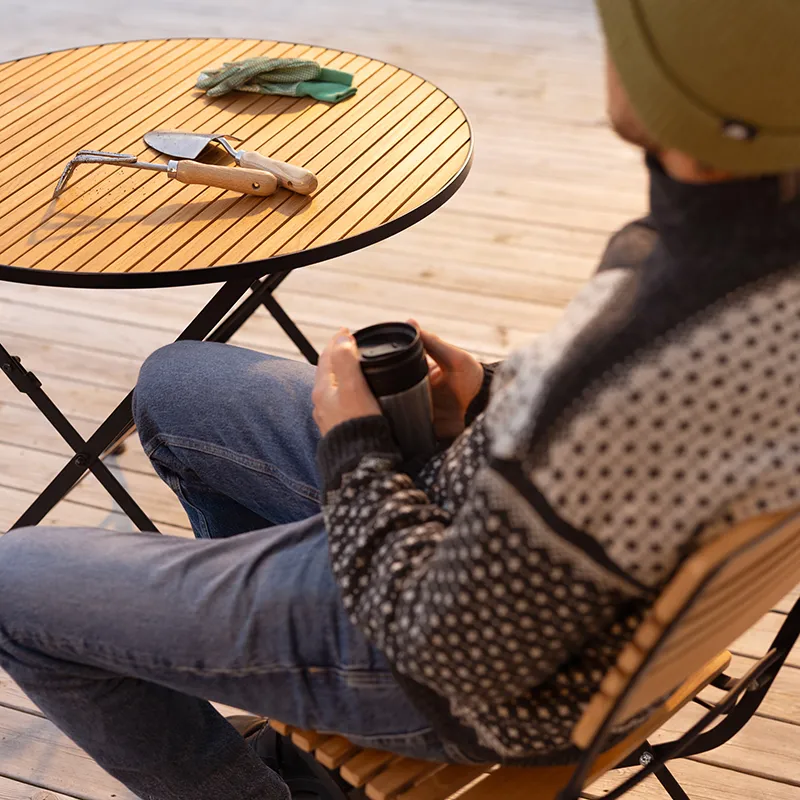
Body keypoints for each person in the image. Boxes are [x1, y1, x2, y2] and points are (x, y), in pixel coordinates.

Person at [1, 1, 799, 798]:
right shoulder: (744, 259)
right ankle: (295, 715)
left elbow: (448, 643)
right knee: (177, 383)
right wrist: (489, 394)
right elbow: (605, 441)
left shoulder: (660, 352)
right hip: (518, 551)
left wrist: (354, 444)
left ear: (690, 89)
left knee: (12, 587)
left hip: (456, 669)